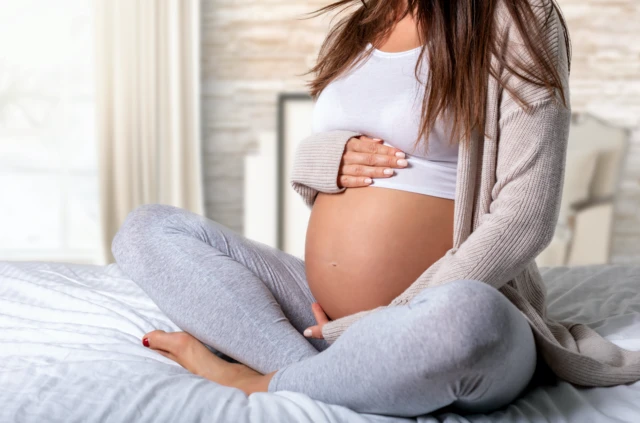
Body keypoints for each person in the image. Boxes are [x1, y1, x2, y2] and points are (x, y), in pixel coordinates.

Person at [112, 0, 640, 418]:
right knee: (147, 230)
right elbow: (334, 153)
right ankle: (330, 371)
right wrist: (321, 158)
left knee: (468, 321)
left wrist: (386, 321)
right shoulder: (361, 22)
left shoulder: (515, 17)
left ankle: (264, 381)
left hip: (438, 314)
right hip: (321, 319)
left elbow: (525, 216)